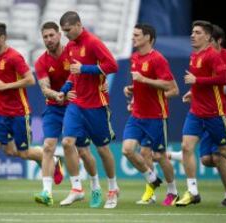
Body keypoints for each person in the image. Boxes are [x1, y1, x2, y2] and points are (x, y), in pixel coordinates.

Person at [175, 20, 226, 208]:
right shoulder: (194, 56)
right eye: (192, 32)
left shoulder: (220, 57)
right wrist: (193, 91)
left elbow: (223, 80)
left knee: (221, 154)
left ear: (211, 38)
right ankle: (192, 191)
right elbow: (202, 83)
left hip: (218, 114)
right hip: (196, 112)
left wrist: (198, 81)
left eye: (197, 32)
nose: (192, 35)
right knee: (189, 149)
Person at [33, 21, 102, 207]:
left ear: (59, 35)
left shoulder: (71, 53)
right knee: (48, 146)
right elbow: (45, 89)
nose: (48, 39)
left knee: (84, 151)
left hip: (77, 106)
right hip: (54, 107)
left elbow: (85, 74)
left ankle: (95, 187)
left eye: (51, 35)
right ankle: (47, 192)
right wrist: (59, 95)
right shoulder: (40, 62)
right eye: (45, 37)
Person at [56, 11, 119, 209]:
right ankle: (78, 189)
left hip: (97, 105)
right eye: (63, 31)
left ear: (78, 25)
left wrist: (86, 69)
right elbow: (73, 74)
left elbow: (113, 66)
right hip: (76, 105)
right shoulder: (70, 46)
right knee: (68, 143)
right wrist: (64, 90)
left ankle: (112, 188)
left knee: (102, 149)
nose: (66, 34)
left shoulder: (93, 42)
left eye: (68, 30)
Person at [0, 22, 44, 195]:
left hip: (19, 113)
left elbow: (30, 80)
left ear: (2, 37)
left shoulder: (14, 57)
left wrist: (5, 87)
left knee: (22, 153)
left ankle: (48, 158)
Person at [122, 24, 179, 206]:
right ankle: (152, 178)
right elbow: (141, 86)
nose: (133, 38)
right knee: (128, 150)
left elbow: (171, 87)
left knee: (159, 156)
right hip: (137, 115)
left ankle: (173, 192)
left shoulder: (158, 59)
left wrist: (144, 80)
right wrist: (131, 90)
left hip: (156, 116)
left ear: (148, 37)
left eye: (137, 35)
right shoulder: (134, 58)